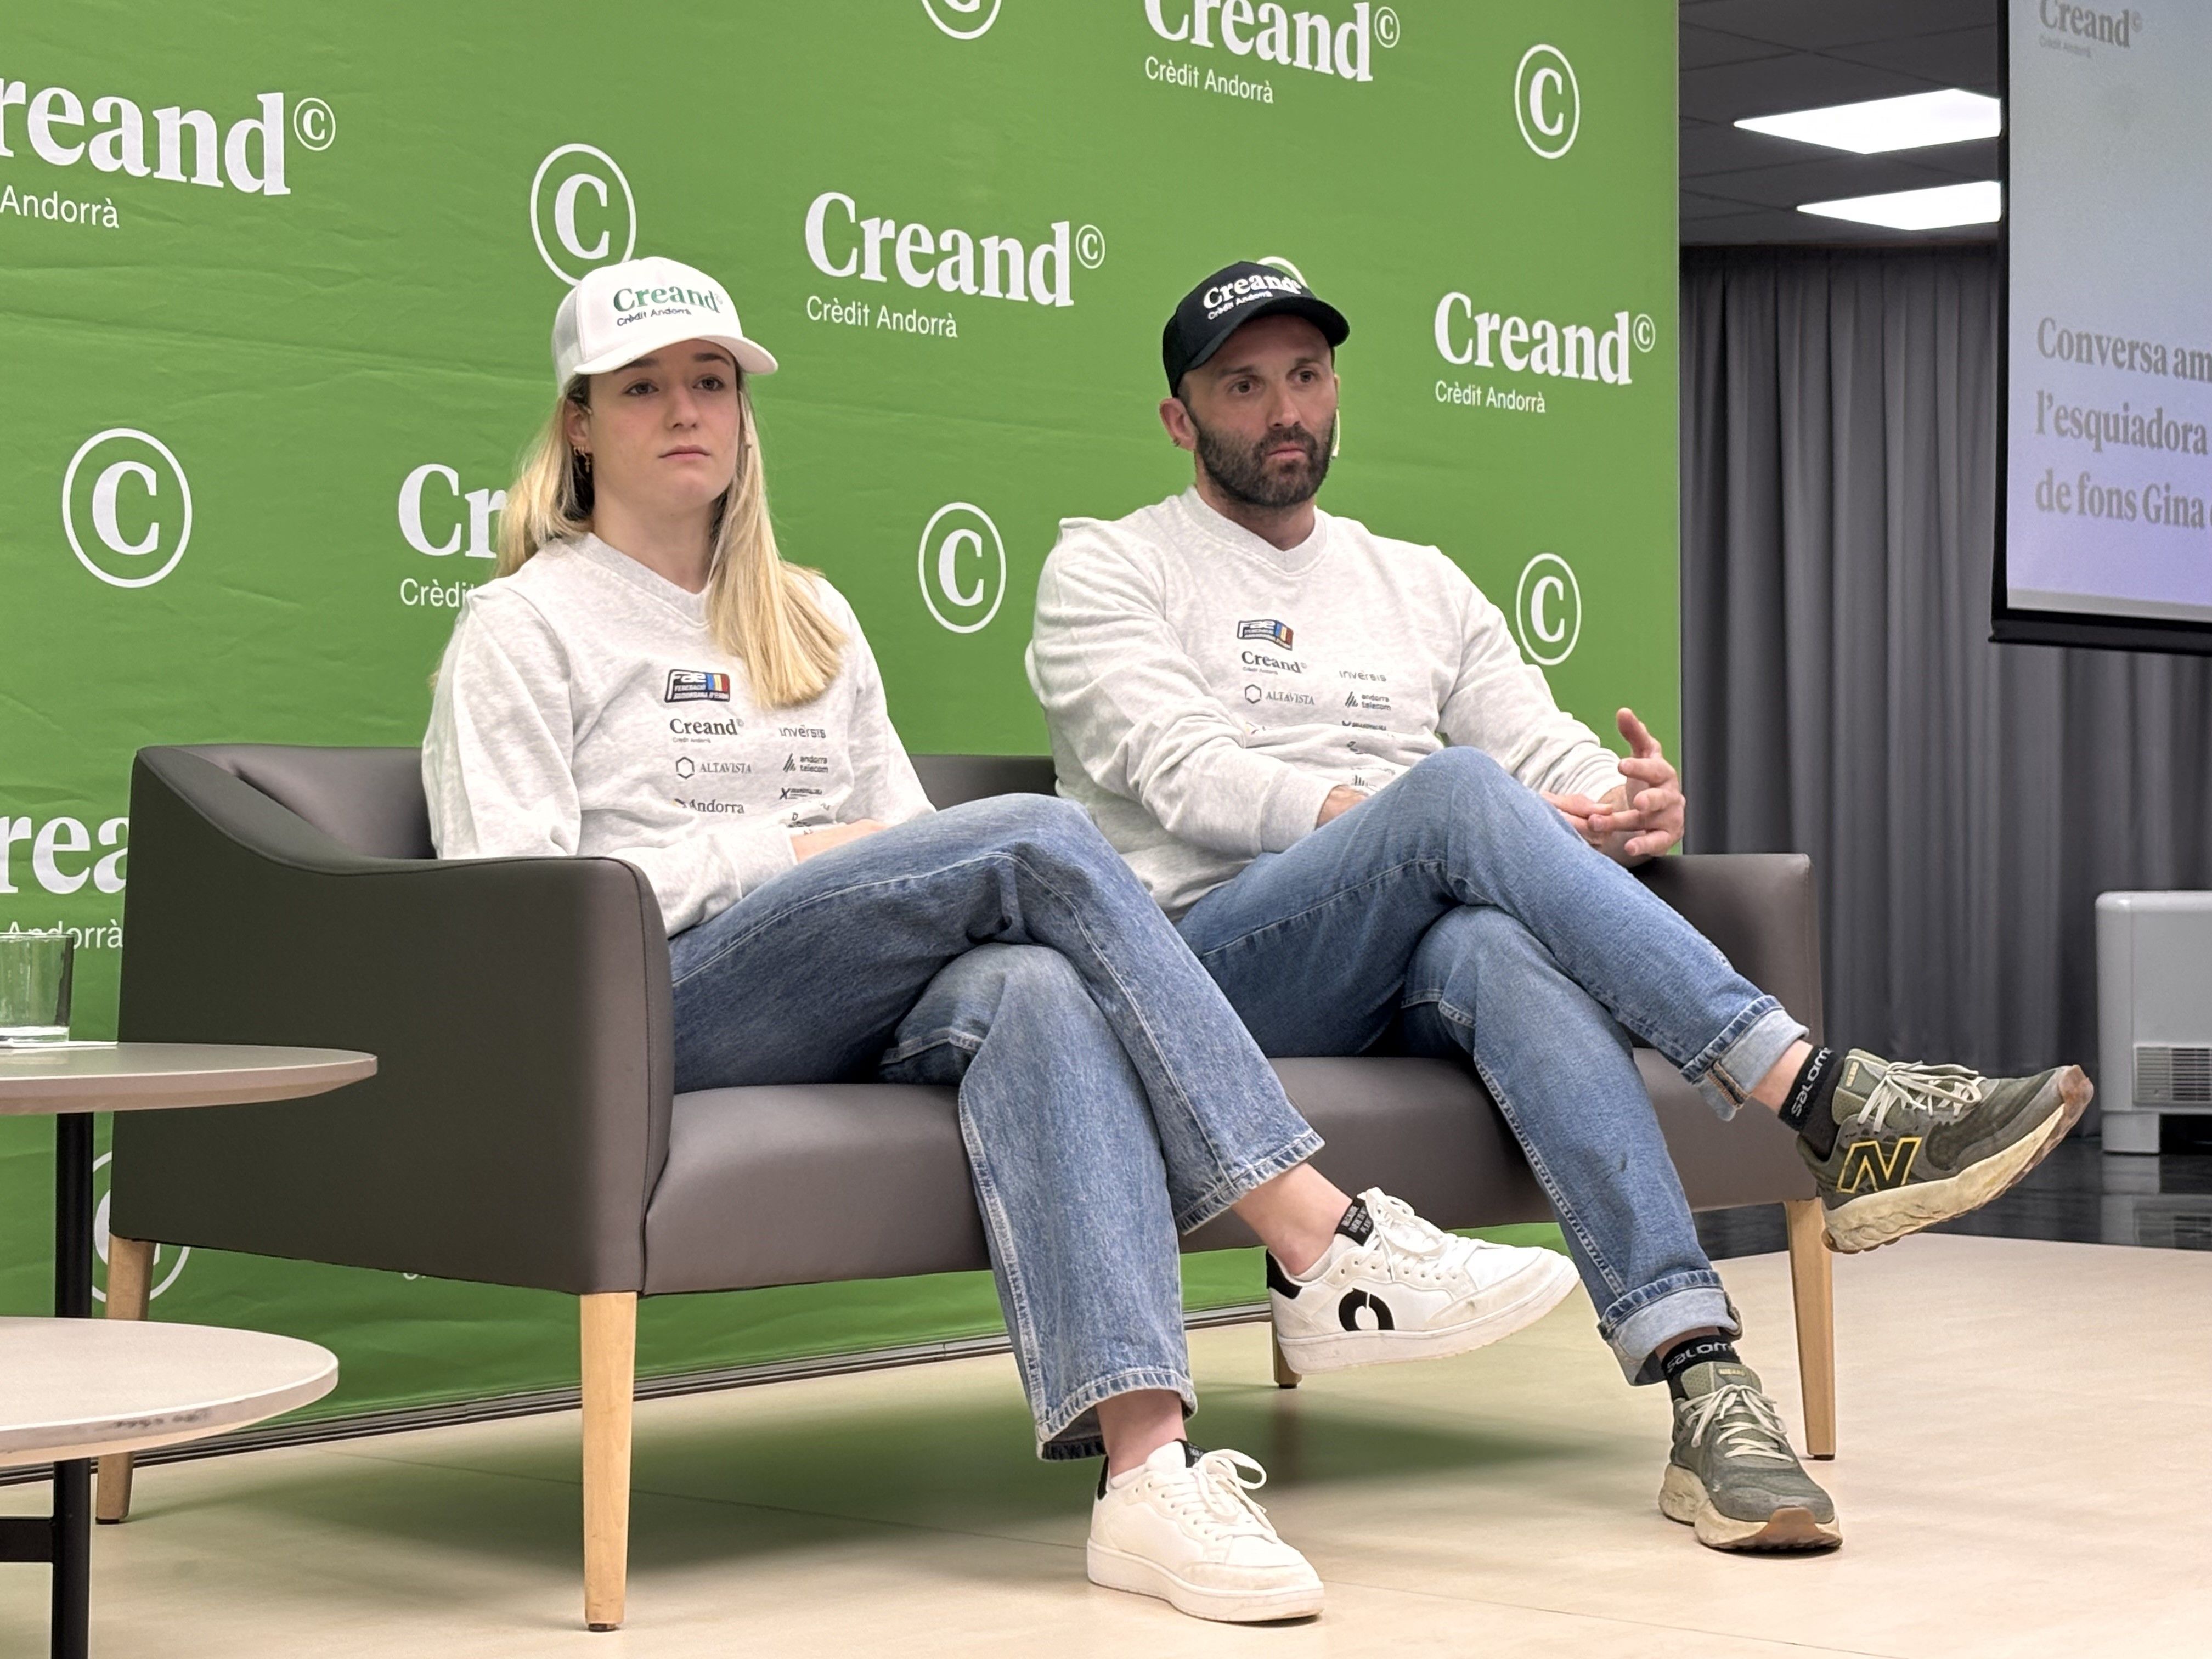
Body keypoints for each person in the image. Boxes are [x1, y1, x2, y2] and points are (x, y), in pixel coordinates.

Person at [419, 256, 1582, 1623]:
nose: (686, 411)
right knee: (1032, 835)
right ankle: (1319, 1234)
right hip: (659, 1006)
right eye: (641, 388)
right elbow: (519, 905)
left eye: (712, 382)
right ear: (578, 422)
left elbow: (913, 848)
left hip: (845, 990)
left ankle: (1147, 1476)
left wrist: (858, 858)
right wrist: (786, 853)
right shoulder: (522, 626)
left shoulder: (809, 615)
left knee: (1033, 982)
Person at [1026, 261, 2094, 1555]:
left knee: (1497, 945)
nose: (1285, 410)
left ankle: (1706, 1386)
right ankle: (1821, 1097)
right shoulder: (1109, 565)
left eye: (1305, 376)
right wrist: (1407, 822)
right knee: (1456, 798)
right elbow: (1184, 772)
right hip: (1208, 973)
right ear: (1179, 419)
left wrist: (1621, 804)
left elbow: (1539, 746)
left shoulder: (1417, 581)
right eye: (1243, 387)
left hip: (1408, 957)